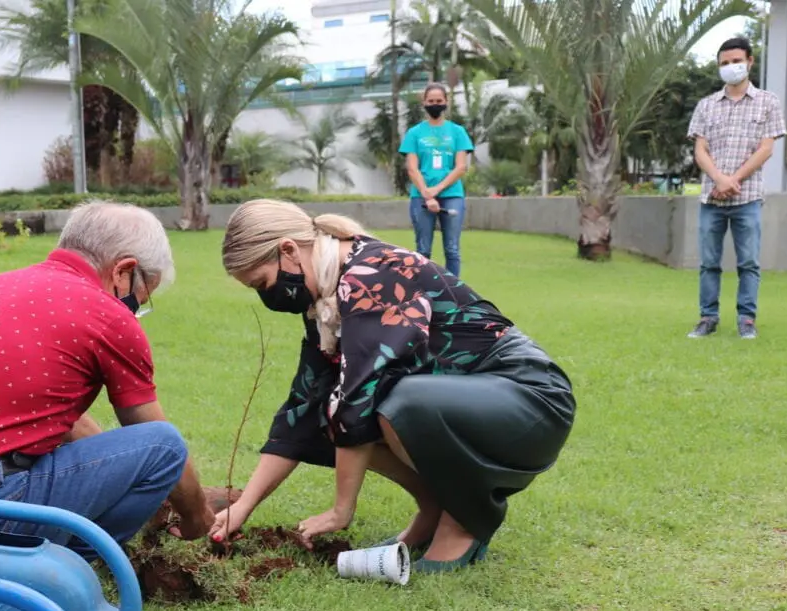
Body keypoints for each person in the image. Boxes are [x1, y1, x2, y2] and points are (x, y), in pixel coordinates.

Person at [210, 199, 575, 573]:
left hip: (531, 399)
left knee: (397, 403)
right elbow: (304, 406)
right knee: (328, 407)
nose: (266, 296)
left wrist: (341, 509)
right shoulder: (326, 302)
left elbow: (360, 395)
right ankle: (433, 509)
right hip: (479, 399)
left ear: (288, 250)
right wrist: (243, 506)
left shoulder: (369, 276)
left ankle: (463, 520)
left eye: (262, 283)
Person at [0, 201, 216, 560]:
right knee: (166, 447)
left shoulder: (6, 284)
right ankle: (67, 562)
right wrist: (197, 517)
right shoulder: (110, 317)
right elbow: (157, 442)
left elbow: (62, 416)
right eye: (141, 297)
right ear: (124, 271)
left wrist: (122, 473)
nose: (135, 310)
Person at [686, 37, 785, 340]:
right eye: (724, 64)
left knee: (749, 263)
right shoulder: (706, 106)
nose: (731, 68)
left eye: (736, 61)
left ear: (750, 61)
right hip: (711, 198)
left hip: (748, 197)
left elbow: (766, 148)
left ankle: (747, 319)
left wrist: (734, 180)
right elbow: (700, 149)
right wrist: (719, 179)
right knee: (708, 263)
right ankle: (708, 317)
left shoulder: (768, 102)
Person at [399, 82, 474, 278]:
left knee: (452, 249)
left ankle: (453, 292)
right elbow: (412, 168)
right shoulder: (414, 133)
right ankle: (425, 289)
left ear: (446, 102)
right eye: (431, 101)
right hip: (421, 196)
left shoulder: (457, 132)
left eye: (439, 101)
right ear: (424, 103)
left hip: (452, 195)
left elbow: (461, 167)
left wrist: (437, 190)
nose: (435, 104)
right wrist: (426, 193)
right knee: (423, 250)